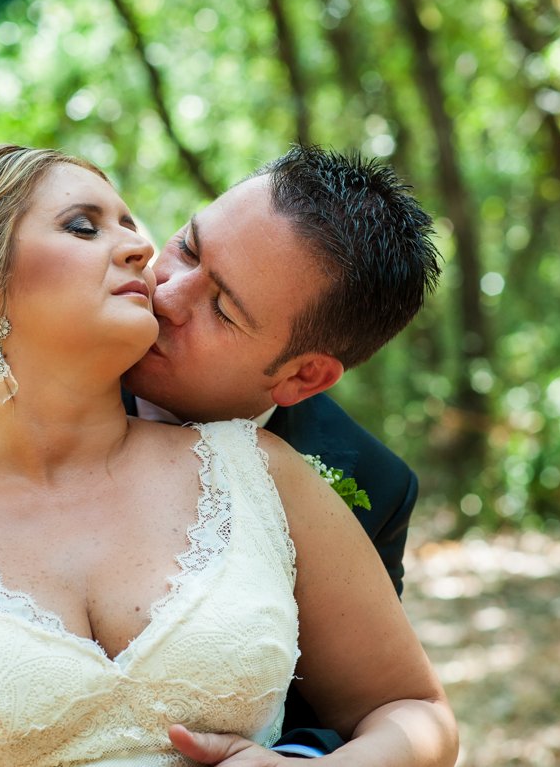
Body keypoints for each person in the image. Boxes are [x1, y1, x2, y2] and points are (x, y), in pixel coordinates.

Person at [0, 145, 457, 766]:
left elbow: (409, 705)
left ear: (301, 376)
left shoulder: (267, 471)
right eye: (86, 226)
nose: (156, 269)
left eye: (223, 307)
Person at [120, 145, 442, 756]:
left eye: (220, 308)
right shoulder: (53, 356)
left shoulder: (365, 481)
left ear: (303, 378)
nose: (165, 295)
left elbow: (346, 708)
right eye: (187, 246)